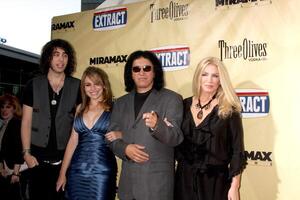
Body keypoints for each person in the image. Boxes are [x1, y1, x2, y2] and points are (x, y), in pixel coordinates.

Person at [106, 50, 183, 200]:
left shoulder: (172, 99)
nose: (142, 73)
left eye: (147, 68)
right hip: (128, 187)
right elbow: (110, 138)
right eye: (136, 69)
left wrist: (157, 125)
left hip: (157, 187)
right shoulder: (120, 103)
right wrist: (125, 148)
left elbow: (176, 137)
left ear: (155, 72)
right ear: (131, 73)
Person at [174, 57, 246, 200]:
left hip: (215, 184)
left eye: (215, 76)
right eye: (205, 74)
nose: (209, 80)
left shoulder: (229, 110)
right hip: (184, 180)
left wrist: (234, 186)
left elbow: (237, 151)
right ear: (198, 77)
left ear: (221, 80)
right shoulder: (182, 105)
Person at [21, 39, 81, 200]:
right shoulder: (33, 85)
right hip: (36, 160)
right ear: (48, 58)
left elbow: (79, 126)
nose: (61, 60)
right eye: (56, 55)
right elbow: (26, 122)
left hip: (65, 161)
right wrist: (26, 154)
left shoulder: (77, 86)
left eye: (64, 55)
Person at [56, 66, 117, 200]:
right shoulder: (79, 108)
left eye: (97, 84)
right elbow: (72, 142)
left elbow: (130, 132)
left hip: (102, 171)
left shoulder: (114, 108)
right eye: (88, 85)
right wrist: (62, 173)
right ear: (83, 88)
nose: (92, 88)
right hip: (77, 170)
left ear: (104, 85)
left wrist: (120, 135)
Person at [0, 94, 24, 200]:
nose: (4, 110)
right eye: (2, 106)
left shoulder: (16, 123)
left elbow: (19, 149)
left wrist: (16, 173)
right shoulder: (5, 125)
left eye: (8, 107)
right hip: (7, 171)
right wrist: (1, 167)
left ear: (14, 109)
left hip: (16, 172)